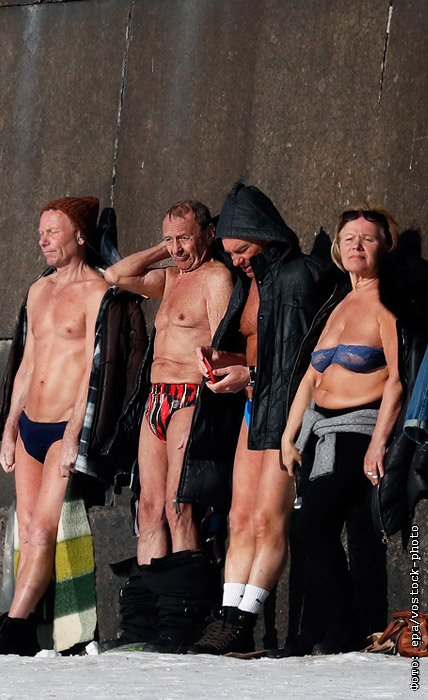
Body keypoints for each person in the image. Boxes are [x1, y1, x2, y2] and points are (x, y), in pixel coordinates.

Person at [188, 182, 335, 655]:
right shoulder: (252, 284)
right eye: (231, 253)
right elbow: (259, 348)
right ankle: (228, 616)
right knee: (239, 517)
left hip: (286, 411)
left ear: (266, 236)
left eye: (243, 251)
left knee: (269, 519)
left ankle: (243, 618)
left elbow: (300, 360)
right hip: (253, 406)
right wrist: (222, 360)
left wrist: (247, 373)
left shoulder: (296, 278)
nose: (237, 261)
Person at [0, 197, 110, 656]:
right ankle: (24, 630)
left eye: (53, 231)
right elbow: (27, 363)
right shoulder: (38, 290)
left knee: (44, 530)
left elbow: (93, 369)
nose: (43, 240)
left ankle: (11, 628)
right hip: (30, 423)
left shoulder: (96, 291)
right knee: (27, 531)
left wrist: (75, 435)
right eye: (41, 232)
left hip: (64, 423)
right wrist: (10, 427)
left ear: (80, 236)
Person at [102, 201, 234, 652]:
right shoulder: (171, 278)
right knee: (148, 509)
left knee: (181, 508)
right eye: (170, 239)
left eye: (185, 238)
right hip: (155, 398)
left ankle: (183, 618)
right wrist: (166, 248)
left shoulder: (215, 277)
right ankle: (143, 624)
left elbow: (225, 345)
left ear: (209, 234)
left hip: (191, 397)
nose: (177, 249)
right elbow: (115, 275)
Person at [278, 206, 409, 654]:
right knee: (321, 529)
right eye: (349, 237)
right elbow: (311, 377)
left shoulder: (388, 304)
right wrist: (289, 435)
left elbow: (398, 379)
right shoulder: (338, 304)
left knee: (314, 523)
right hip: (319, 431)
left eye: (367, 238)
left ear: (384, 247)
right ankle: (315, 633)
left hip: (360, 428)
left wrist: (379, 443)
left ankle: (343, 630)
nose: (357, 245)